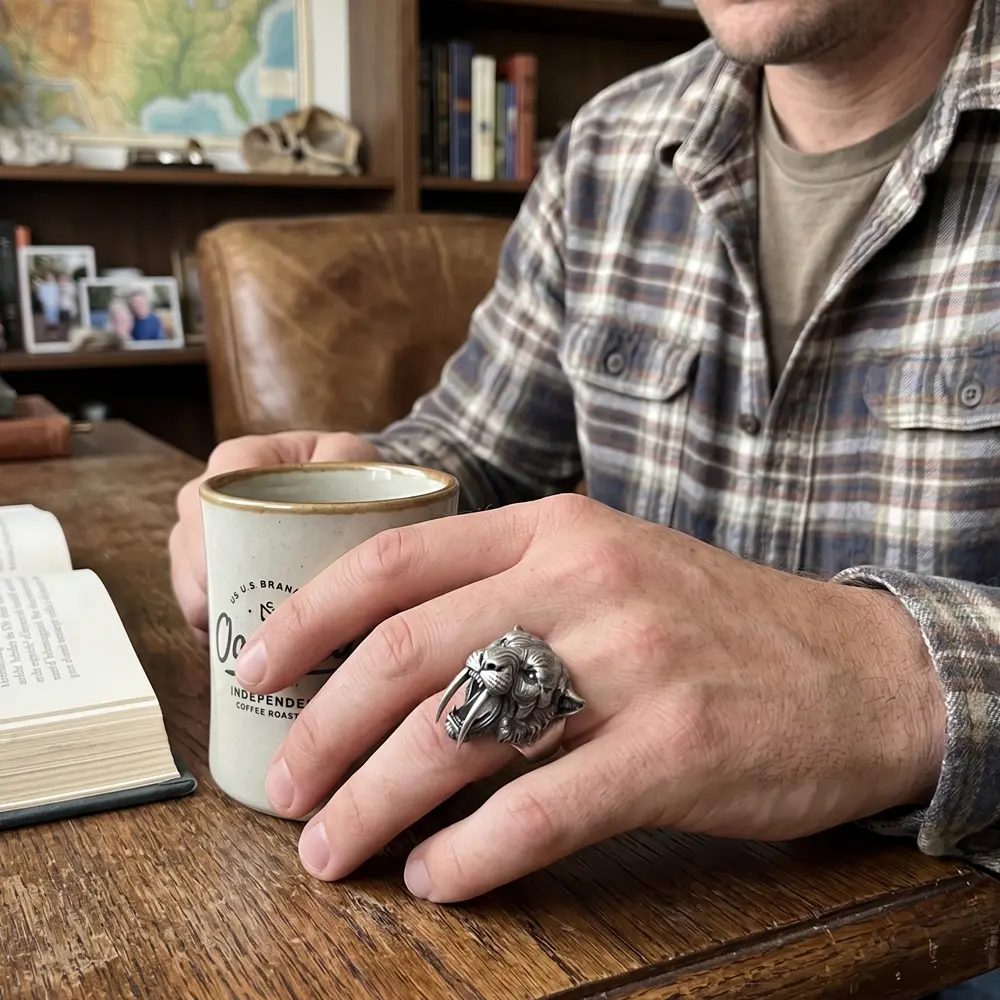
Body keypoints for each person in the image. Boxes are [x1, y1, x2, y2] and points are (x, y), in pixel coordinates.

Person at [170, 0, 1000, 991]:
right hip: (625, 907)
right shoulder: (605, 147)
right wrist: (355, 483)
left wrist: (891, 685)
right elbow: (474, 446)